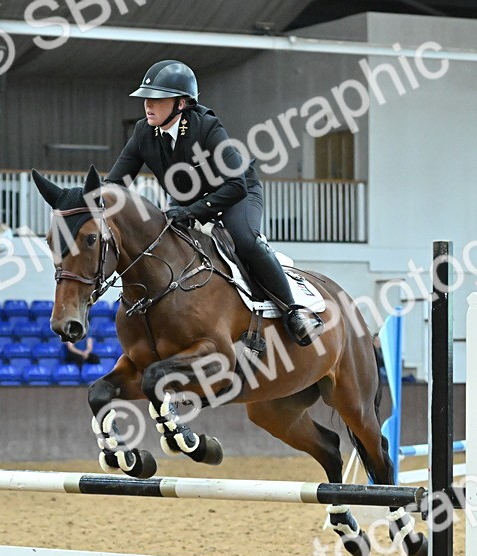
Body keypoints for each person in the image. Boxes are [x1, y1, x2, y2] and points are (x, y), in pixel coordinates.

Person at [105, 60, 323, 346]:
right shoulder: (144, 132)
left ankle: (294, 311)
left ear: (181, 104)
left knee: (244, 241)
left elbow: (235, 186)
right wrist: (87, 202)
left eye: (158, 99)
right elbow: (115, 183)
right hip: (188, 200)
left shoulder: (205, 126)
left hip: (235, 192)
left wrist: (192, 211)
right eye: (147, 98)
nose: (148, 105)